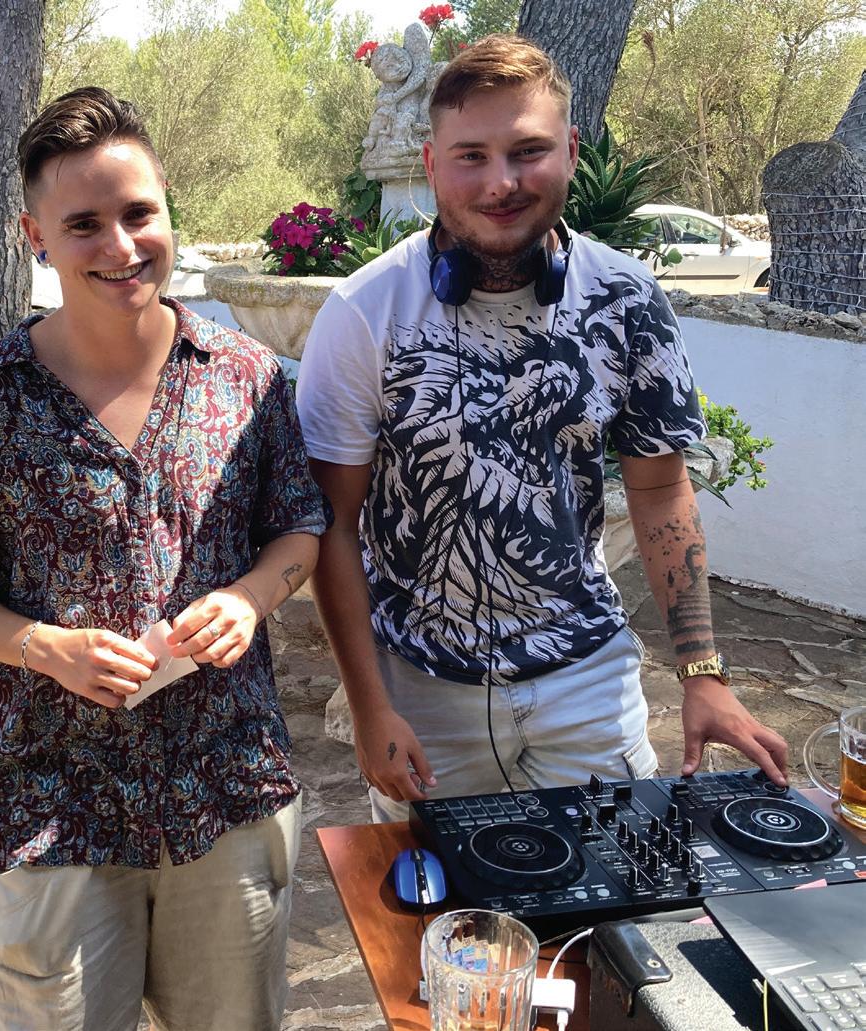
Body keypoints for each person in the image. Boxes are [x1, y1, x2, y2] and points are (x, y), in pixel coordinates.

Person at [0, 87, 327, 1030]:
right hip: (56, 804)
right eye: (83, 224)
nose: (121, 246)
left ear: (168, 210)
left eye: (138, 213)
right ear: (35, 237)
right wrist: (45, 647)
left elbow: (299, 525)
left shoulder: (246, 377)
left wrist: (252, 598)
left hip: (229, 791)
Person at [296, 35, 788, 826]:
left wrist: (703, 672)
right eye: (472, 156)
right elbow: (335, 525)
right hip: (421, 691)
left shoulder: (628, 299)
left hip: (588, 683)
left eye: (528, 151)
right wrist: (369, 705)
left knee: (622, 896)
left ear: (572, 152)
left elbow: (661, 491)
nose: (501, 182)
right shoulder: (363, 313)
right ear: (431, 166)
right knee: (442, 905)